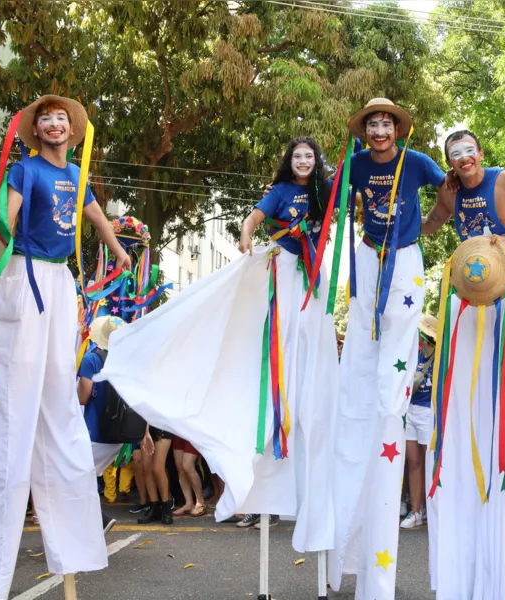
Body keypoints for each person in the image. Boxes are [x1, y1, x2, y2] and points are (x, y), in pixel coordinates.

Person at [99, 137, 338, 554]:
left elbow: (352, 190)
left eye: (309, 156)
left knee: (311, 353)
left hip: (315, 277)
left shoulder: (324, 190)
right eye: (297, 156)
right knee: (278, 346)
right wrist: (246, 237)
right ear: (289, 161)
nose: (303, 161)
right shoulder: (281, 191)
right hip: (283, 270)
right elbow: (252, 219)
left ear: (316, 162)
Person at [0, 95, 130, 599]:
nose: (54, 123)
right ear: (36, 129)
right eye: (46, 117)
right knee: (17, 413)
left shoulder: (76, 178)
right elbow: (5, 224)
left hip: (61, 285)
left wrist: (120, 251)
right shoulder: (25, 170)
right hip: (27, 279)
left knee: (61, 411)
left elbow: (98, 220)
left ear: (71, 128)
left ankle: (75, 549)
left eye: (61, 117)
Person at [416, 129, 505, 598]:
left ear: (481, 154)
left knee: (504, 397)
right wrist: (402, 226)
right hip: (465, 302)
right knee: (465, 401)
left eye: (469, 151)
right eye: (455, 154)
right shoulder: (450, 191)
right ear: (450, 162)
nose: (464, 158)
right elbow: (432, 221)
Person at [329, 98, 445, 600]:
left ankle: (391, 401)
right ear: (366, 131)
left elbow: (450, 192)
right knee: (361, 339)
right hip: (366, 255)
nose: (379, 130)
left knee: (399, 336)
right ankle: (361, 397)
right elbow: (330, 203)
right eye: (372, 124)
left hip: (405, 257)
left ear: (397, 128)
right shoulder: (354, 165)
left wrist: (429, 228)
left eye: (386, 123)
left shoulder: (416, 161)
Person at [78, 316, 130, 534]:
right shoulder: (128, 360)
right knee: (85, 477)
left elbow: (83, 397)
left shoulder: (92, 359)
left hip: (95, 431)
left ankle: (97, 521)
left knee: (76, 477)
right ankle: (90, 523)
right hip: (121, 433)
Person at [399, 314, 437, 530]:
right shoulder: (415, 354)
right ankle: (416, 511)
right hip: (411, 410)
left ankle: (431, 508)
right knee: (413, 461)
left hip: (427, 412)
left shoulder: (441, 356)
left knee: (429, 463)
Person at [172, 437, 206, 518]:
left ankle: (200, 502)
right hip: (178, 430)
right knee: (180, 467)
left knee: (187, 465)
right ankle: (189, 503)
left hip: (192, 430)